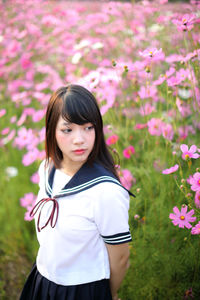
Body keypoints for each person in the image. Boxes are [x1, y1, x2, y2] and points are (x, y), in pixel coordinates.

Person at [19, 84, 134, 300]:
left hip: (83, 289)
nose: (79, 139)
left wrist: (111, 294)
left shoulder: (105, 191)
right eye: (67, 129)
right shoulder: (48, 168)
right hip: (43, 278)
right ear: (52, 130)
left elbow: (120, 257)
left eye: (88, 127)